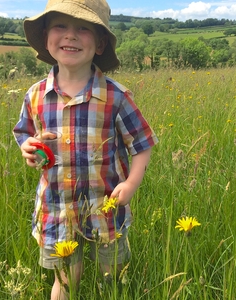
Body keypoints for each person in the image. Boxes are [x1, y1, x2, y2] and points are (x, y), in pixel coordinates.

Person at [12, 0, 158, 298]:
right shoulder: (35, 95)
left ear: (101, 42)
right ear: (46, 36)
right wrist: (28, 148)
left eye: (83, 28)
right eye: (60, 26)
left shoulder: (115, 96)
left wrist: (131, 183)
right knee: (65, 280)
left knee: (112, 277)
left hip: (106, 208)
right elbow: (25, 136)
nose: (70, 35)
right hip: (58, 208)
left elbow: (142, 144)